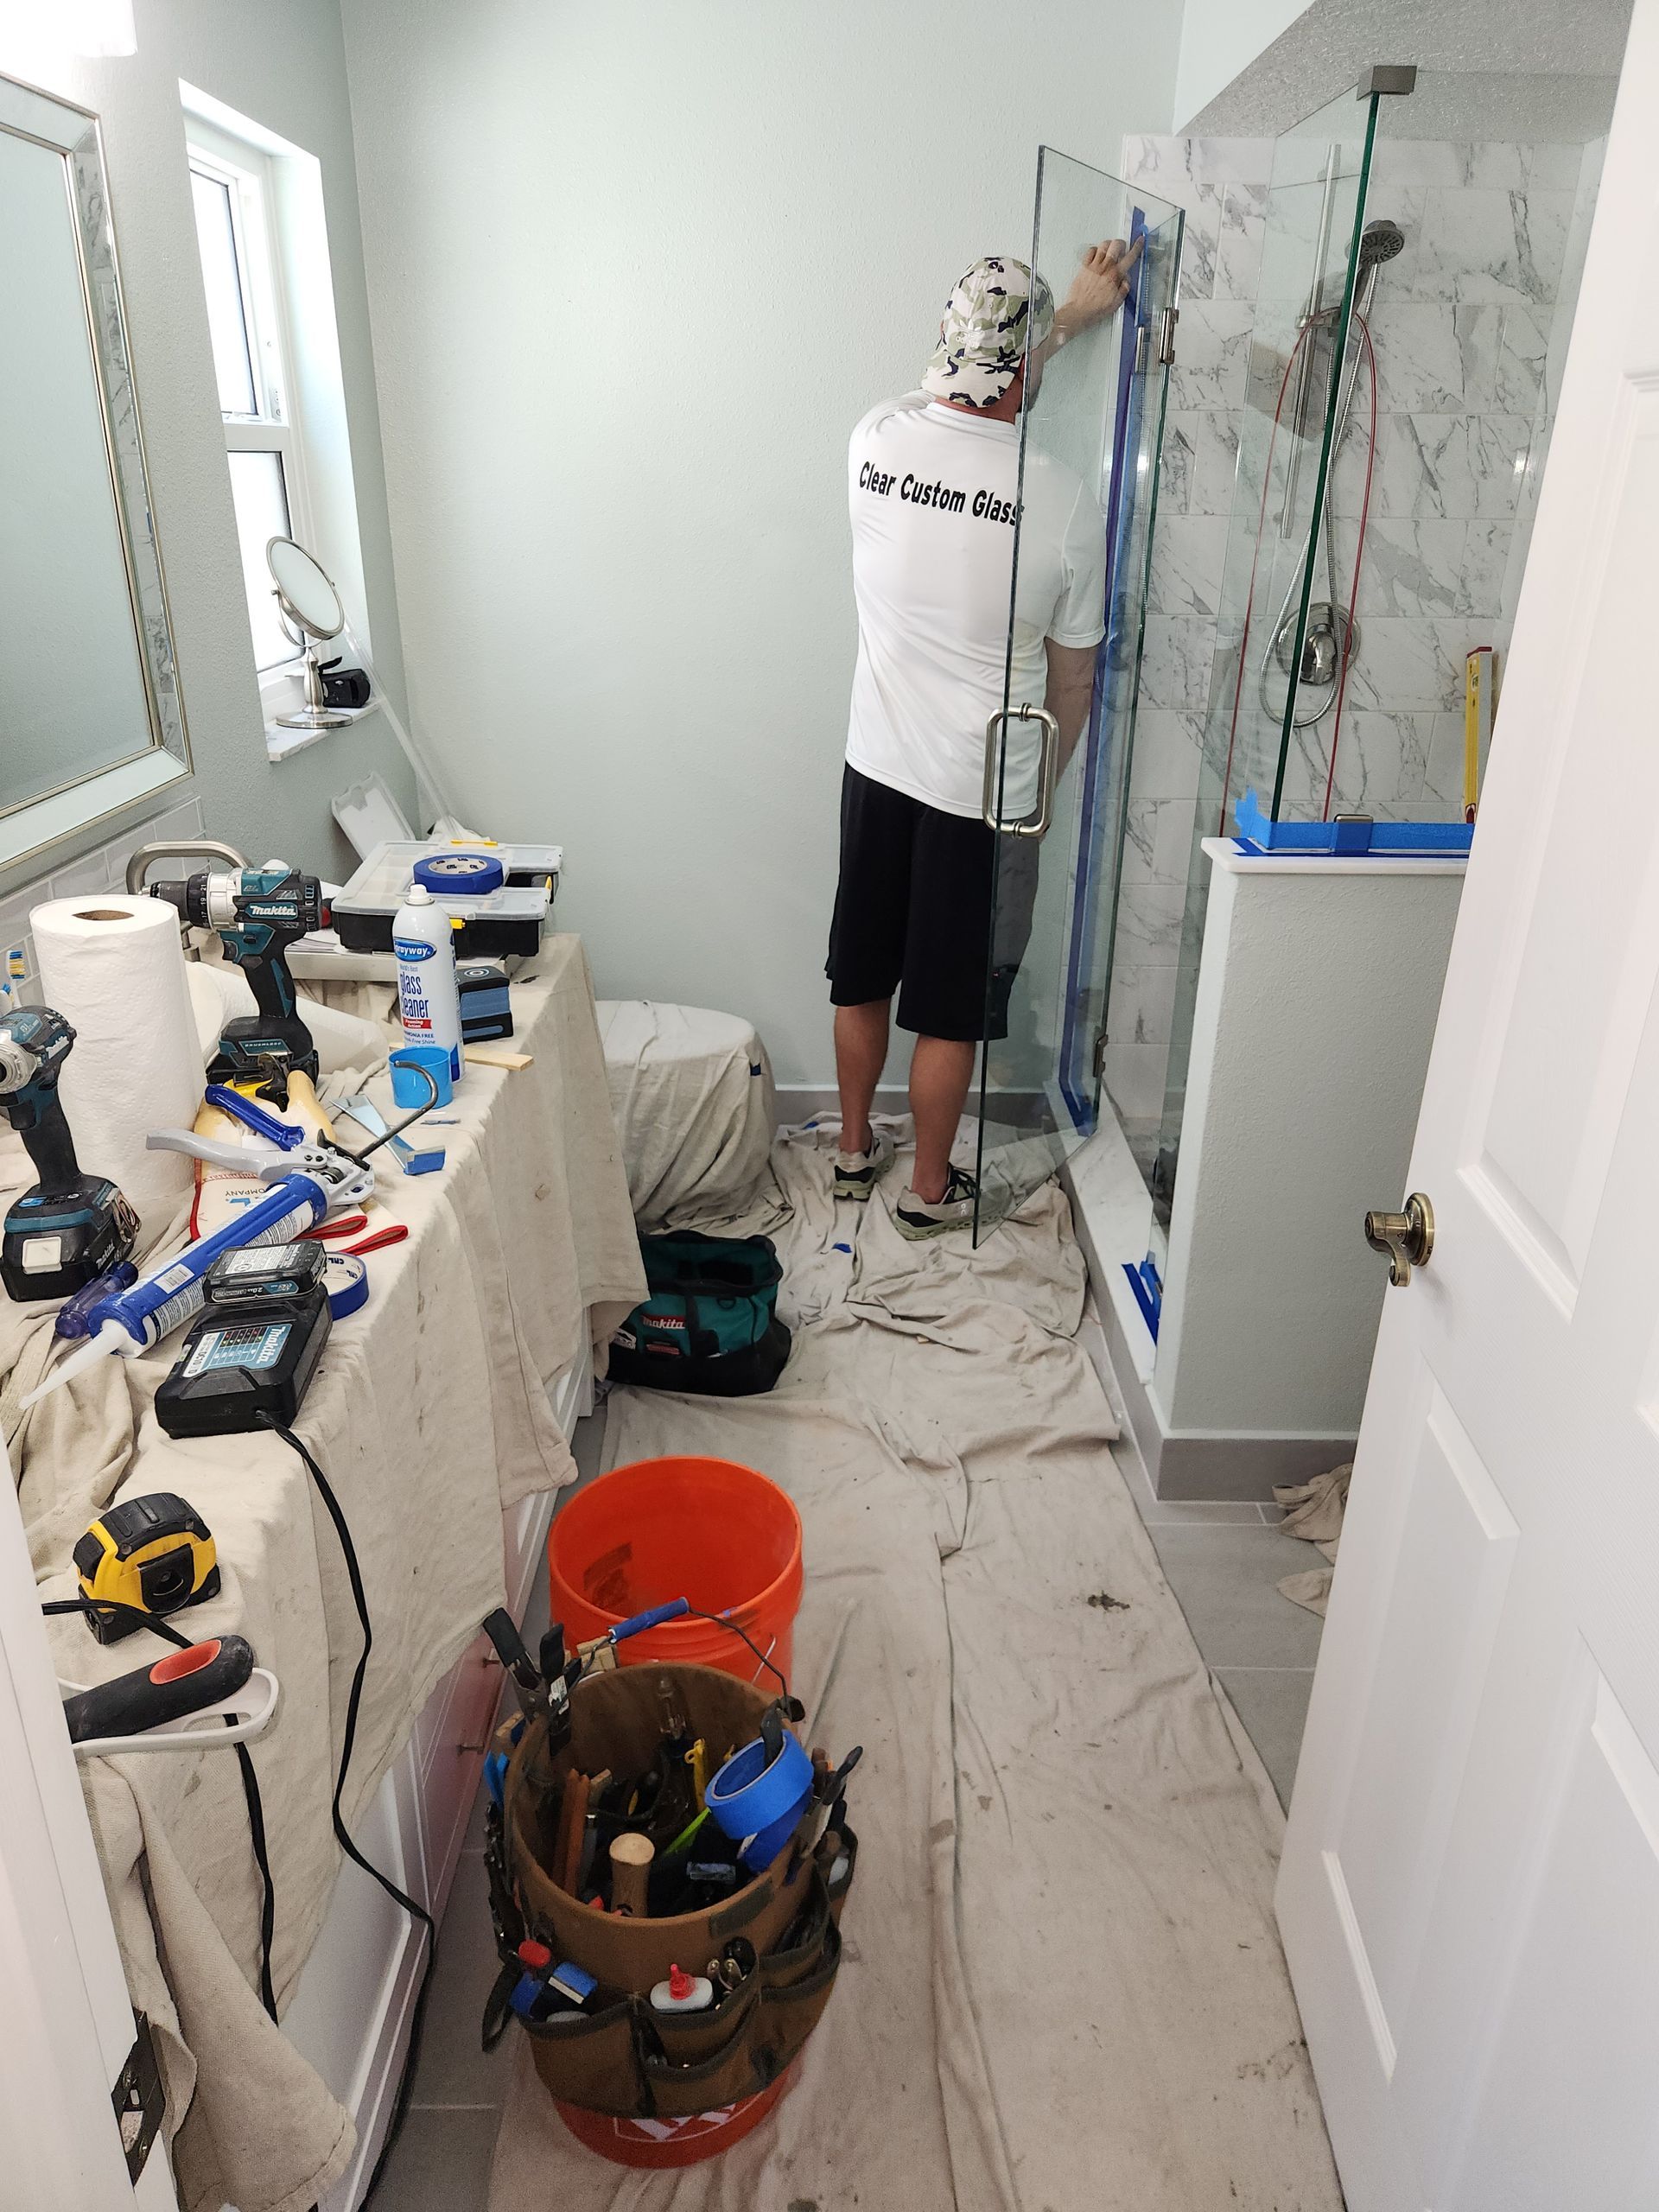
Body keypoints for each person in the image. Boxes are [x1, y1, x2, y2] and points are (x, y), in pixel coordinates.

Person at [825, 240, 1141, 1236]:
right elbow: (1077, 673)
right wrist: (1043, 789)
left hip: (875, 765)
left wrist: (1053, 330)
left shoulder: (873, 438)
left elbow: (979, 397)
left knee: (862, 971)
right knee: (950, 1007)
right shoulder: (1063, 498)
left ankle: (847, 1150)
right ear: (1021, 382)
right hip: (979, 792)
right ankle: (927, 1191)